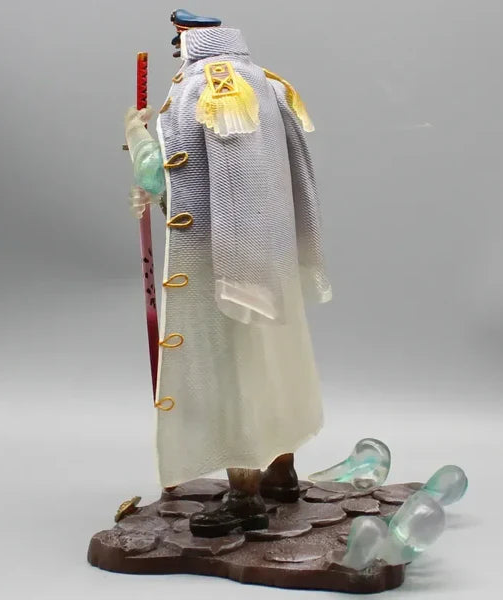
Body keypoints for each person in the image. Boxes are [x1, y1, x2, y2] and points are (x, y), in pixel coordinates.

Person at [124, 9, 331, 538]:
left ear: (187, 41)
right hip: (270, 249)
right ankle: (281, 472)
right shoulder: (264, 81)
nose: (177, 51)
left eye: (178, 42)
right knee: (272, 361)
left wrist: (137, 136)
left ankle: (244, 496)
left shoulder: (202, 87)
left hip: (217, 252)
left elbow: (168, 174)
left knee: (229, 373)